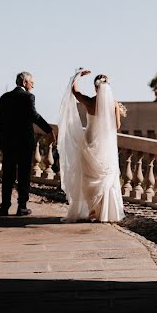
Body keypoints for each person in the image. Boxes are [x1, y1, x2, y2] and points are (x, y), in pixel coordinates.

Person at [58, 69, 126, 223]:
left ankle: (92, 210)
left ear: (95, 88)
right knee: (105, 177)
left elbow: (75, 92)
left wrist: (76, 75)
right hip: (105, 146)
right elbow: (117, 126)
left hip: (89, 142)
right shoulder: (114, 105)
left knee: (88, 178)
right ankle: (105, 212)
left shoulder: (89, 101)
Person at [0, 71, 54, 217]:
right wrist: (49, 130)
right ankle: (22, 207)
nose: (33, 84)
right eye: (31, 81)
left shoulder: (4, 97)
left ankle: (4, 206)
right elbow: (34, 116)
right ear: (25, 83)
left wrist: (1, 140)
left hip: (8, 142)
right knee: (24, 175)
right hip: (24, 142)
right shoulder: (28, 97)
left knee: (8, 175)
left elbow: (0, 122)